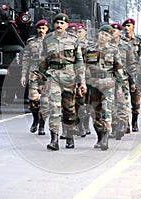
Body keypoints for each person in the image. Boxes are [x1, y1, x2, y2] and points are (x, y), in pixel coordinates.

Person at [38, 13, 86, 150]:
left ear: (66, 25)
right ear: (53, 24)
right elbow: (42, 62)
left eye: (62, 23)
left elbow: (79, 62)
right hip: (53, 76)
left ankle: (69, 136)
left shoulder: (73, 39)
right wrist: (40, 81)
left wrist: (82, 82)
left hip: (69, 77)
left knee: (69, 109)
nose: (59, 25)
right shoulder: (47, 40)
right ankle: (54, 139)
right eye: (57, 23)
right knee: (54, 107)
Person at [83, 24, 124, 150]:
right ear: (98, 34)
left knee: (107, 110)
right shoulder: (89, 49)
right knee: (95, 112)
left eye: (106, 35)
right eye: (102, 33)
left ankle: (106, 136)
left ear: (110, 37)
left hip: (108, 84)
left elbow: (119, 69)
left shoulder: (113, 50)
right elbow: (82, 67)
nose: (103, 36)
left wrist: (120, 87)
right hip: (93, 84)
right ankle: (100, 135)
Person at [20, 19, 49, 135]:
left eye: (43, 28)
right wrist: (23, 75)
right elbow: (26, 59)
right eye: (39, 28)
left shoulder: (52, 42)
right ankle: (35, 119)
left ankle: (42, 125)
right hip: (34, 74)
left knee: (45, 102)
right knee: (33, 101)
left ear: (47, 29)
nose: (41, 30)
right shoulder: (31, 42)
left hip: (47, 75)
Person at [110, 22, 135, 140]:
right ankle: (114, 126)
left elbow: (132, 65)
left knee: (122, 103)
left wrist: (134, 81)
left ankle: (122, 124)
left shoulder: (126, 46)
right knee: (111, 105)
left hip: (123, 80)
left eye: (115, 31)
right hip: (108, 80)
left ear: (120, 32)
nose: (113, 33)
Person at [121, 18, 141, 133]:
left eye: (129, 25)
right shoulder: (120, 41)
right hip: (123, 74)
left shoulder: (139, 42)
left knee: (136, 100)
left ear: (133, 27)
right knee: (123, 100)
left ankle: (134, 120)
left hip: (136, 74)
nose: (126, 28)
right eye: (125, 26)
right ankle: (126, 124)